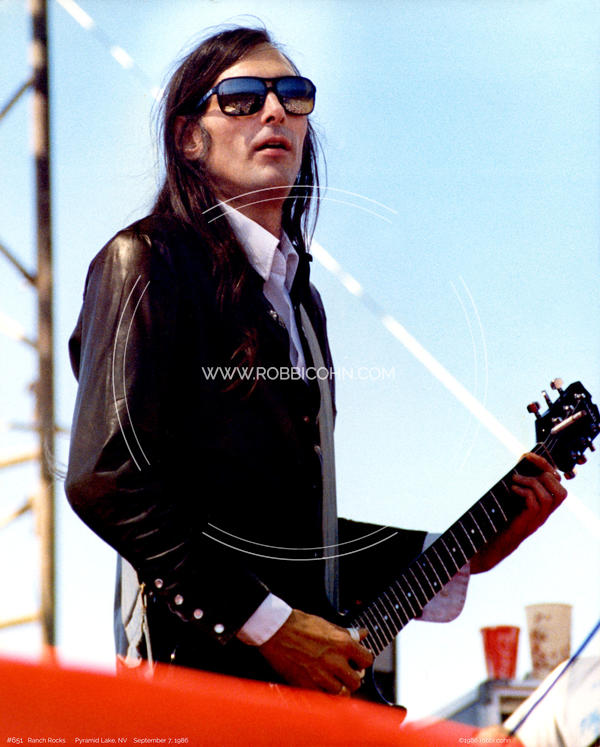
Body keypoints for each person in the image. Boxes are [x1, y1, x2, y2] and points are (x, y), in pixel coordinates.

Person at [65, 25, 567, 698]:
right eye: (242, 97)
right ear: (188, 137)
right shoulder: (146, 261)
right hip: (193, 688)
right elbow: (106, 479)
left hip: (299, 705)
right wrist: (271, 626)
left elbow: (295, 539)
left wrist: (467, 547)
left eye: (293, 95)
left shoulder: (303, 307)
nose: (275, 111)